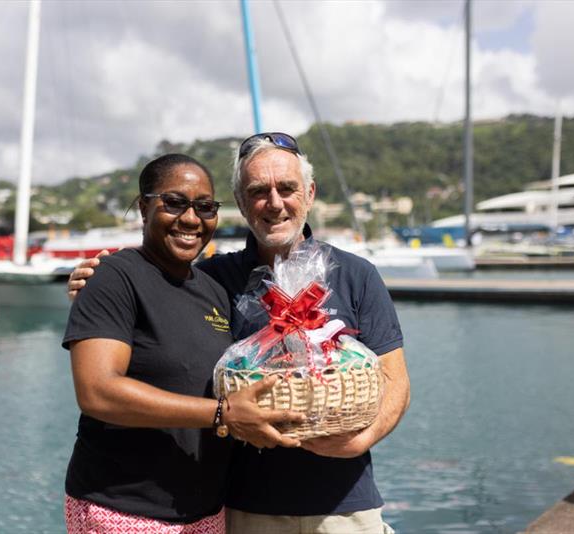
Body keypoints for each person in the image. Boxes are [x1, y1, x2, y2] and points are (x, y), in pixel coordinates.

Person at [68, 134, 411, 533]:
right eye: (258, 191)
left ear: (310, 193)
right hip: (243, 508)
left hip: (345, 506)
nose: (275, 202)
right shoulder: (213, 279)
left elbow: (396, 383)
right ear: (241, 202)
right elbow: (151, 288)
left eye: (287, 188)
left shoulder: (356, 275)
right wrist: (93, 279)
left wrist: (359, 440)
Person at [61, 153, 303, 534]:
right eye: (174, 203)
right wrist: (222, 413)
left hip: (205, 514)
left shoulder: (212, 289)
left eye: (205, 207)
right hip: (125, 512)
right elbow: (97, 392)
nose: (191, 219)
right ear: (144, 207)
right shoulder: (115, 278)